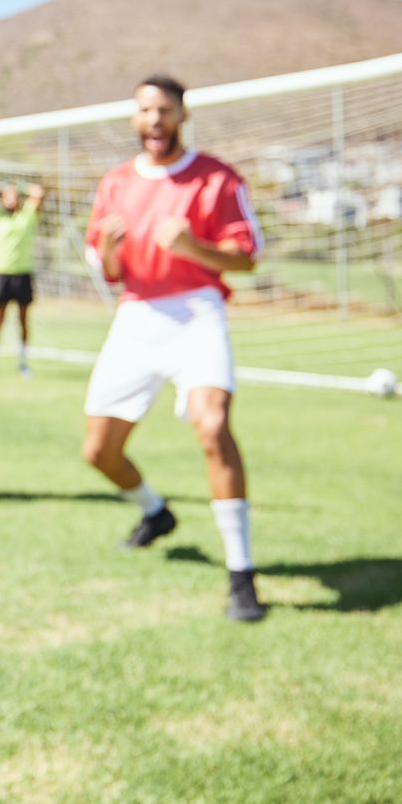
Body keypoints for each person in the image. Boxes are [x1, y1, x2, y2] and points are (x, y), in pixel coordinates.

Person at [82, 75, 266, 622]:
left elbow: (246, 257)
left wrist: (193, 248)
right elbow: (109, 271)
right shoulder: (115, 183)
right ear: (134, 119)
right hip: (137, 315)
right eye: (144, 110)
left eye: (164, 109)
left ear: (183, 116)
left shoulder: (216, 178)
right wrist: (112, 254)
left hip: (198, 312)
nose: (154, 120)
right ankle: (156, 513)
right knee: (99, 452)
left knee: (212, 427)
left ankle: (242, 575)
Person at [0, 182, 45, 379]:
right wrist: (2, 188)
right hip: (3, 276)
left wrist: (19, 187)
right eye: (8, 196)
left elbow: (38, 193)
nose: (12, 199)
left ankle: (23, 363)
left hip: (23, 275)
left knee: (23, 321)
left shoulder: (27, 216)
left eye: (15, 196)